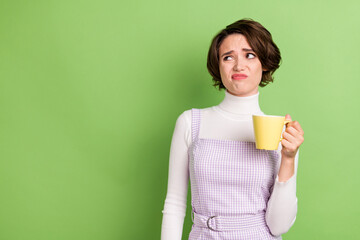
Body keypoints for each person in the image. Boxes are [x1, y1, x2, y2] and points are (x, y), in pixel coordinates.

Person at [161, 18, 304, 240]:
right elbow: (175, 203)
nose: (239, 66)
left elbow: (278, 227)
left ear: (264, 63)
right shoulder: (190, 122)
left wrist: (288, 158)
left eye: (250, 55)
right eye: (228, 57)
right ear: (218, 66)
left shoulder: (281, 132)